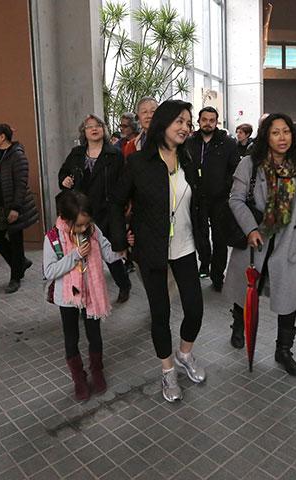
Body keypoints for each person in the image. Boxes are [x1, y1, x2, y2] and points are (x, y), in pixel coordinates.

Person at [109, 99, 210, 402]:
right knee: (160, 313)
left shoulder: (188, 161)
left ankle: (184, 354)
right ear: (164, 123)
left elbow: (197, 205)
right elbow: (115, 203)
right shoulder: (139, 162)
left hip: (185, 246)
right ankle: (167, 370)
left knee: (195, 308)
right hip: (151, 249)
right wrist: (120, 241)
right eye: (180, 121)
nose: (186, 127)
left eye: (188, 122)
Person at [224, 113, 296, 376]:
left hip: (285, 243)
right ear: (266, 136)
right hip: (256, 240)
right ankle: (239, 326)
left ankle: (284, 350)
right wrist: (250, 229)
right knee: (247, 290)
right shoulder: (250, 164)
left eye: (286, 131)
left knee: (288, 297)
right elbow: (236, 199)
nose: (282, 137)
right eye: (275, 132)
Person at [44, 191, 125, 402]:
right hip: (68, 297)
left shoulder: (93, 230)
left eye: (86, 223)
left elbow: (108, 253)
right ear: (65, 219)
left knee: (94, 335)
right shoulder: (53, 238)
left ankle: (97, 370)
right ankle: (78, 378)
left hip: (92, 293)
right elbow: (49, 271)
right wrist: (76, 255)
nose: (83, 229)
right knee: (71, 338)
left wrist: (123, 248)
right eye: (79, 225)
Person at [59, 114, 132, 303]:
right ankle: (84, 296)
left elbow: (123, 182)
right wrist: (64, 180)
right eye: (89, 126)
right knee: (82, 254)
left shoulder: (114, 154)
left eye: (98, 125)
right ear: (83, 132)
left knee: (111, 255)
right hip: (82, 212)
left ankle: (124, 285)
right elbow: (64, 173)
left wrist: (124, 205)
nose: (94, 129)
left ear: (103, 129)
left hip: (107, 211)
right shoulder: (76, 153)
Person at [185, 106, 240, 290]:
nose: (207, 123)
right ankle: (204, 262)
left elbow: (234, 168)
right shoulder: (189, 142)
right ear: (198, 121)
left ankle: (217, 275)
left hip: (220, 199)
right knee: (200, 235)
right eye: (204, 120)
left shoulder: (227, 143)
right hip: (197, 198)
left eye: (211, 120)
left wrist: (226, 187)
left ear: (217, 122)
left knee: (219, 238)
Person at [0, 123, 40, 293]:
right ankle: (20, 263)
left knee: (16, 241)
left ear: (2, 137)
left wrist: (16, 208)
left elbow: (21, 183)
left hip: (14, 205)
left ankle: (15, 278)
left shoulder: (17, 155)